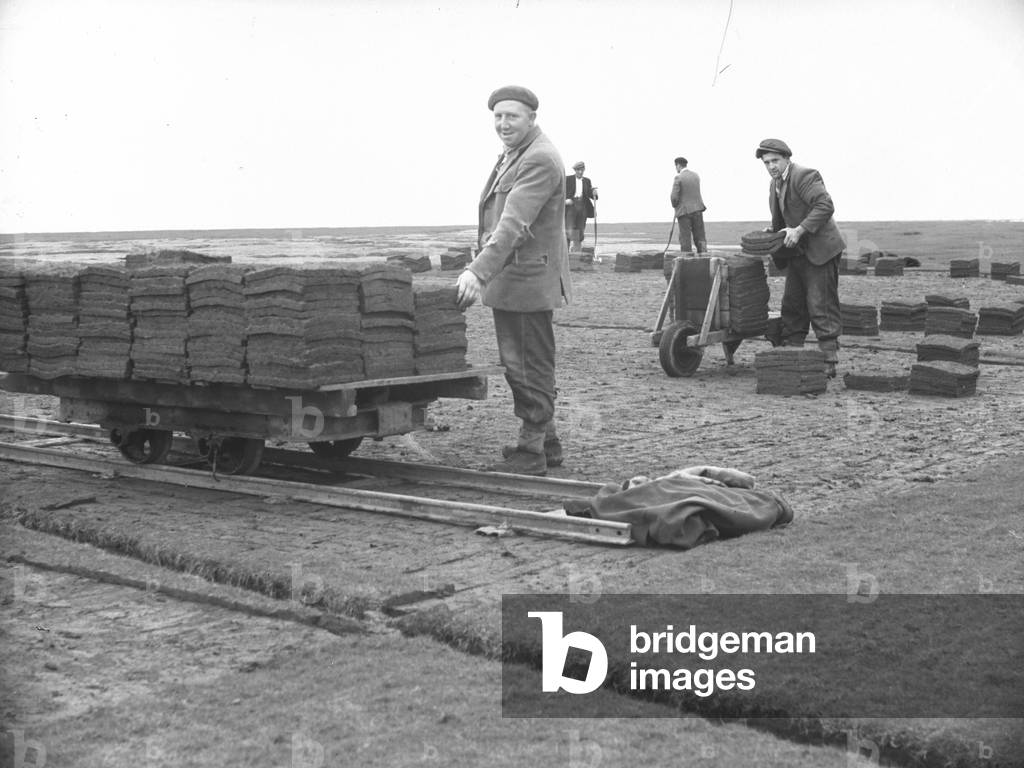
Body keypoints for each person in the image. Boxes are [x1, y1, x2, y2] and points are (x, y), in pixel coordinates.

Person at [455, 85, 572, 476]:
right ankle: (546, 441)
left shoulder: (538, 158)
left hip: (526, 280)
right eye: (498, 116)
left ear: (532, 119)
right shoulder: (517, 153)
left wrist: (478, 271)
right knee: (527, 361)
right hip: (517, 279)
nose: (503, 124)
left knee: (526, 364)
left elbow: (513, 224)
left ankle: (531, 451)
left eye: (512, 117)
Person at [755, 138, 845, 377]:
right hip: (797, 252)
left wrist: (800, 230)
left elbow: (825, 206)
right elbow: (785, 217)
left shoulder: (804, 176)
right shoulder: (775, 184)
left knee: (820, 304)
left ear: (787, 159)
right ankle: (792, 353)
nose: (771, 166)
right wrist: (773, 232)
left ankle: (829, 360)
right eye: (767, 163)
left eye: (775, 160)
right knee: (792, 304)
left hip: (820, 250)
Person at [670, 156, 707, 256]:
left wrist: (675, 205)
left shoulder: (678, 177)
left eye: (676, 166)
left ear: (678, 165)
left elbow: (674, 197)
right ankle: (704, 256)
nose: (676, 168)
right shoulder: (696, 176)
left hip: (684, 211)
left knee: (685, 237)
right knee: (700, 236)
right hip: (698, 209)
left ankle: (687, 259)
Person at [564, 161, 597, 251]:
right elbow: (560, 191)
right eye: (578, 170)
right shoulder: (568, 179)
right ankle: (565, 253)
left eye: (582, 170)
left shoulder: (587, 181)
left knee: (580, 230)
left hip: (583, 207)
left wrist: (594, 193)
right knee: (569, 230)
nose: (580, 172)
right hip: (571, 206)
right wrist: (565, 201)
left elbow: (590, 194)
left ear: (584, 170)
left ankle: (576, 253)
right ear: (575, 170)